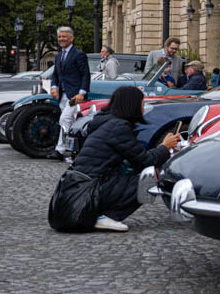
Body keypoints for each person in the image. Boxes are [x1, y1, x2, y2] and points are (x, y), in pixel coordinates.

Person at [68, 85, 179, 231]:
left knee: (136, 174)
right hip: (90, 190)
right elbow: (146, 161)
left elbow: (135, 159)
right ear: (131, 105)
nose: (143, 107)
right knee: (151, 177)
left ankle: (101, 214)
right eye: (142, 103)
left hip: (81, 187)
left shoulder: (107, 122)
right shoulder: (118, 127)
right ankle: (106, 216)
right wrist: (165, 147)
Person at [49, 25, 90, 162]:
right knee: (70, 122)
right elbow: (55, 74)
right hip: (63, 95)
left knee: (64, 120)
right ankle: (72, 151)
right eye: (59, 37)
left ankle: (61, 149)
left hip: (75, 96)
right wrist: (54, 87)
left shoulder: (79, 54)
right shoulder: (59, 56)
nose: (61, 39)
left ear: (71, 38)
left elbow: (85, 75)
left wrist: (82, 93)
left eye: (64, 37)